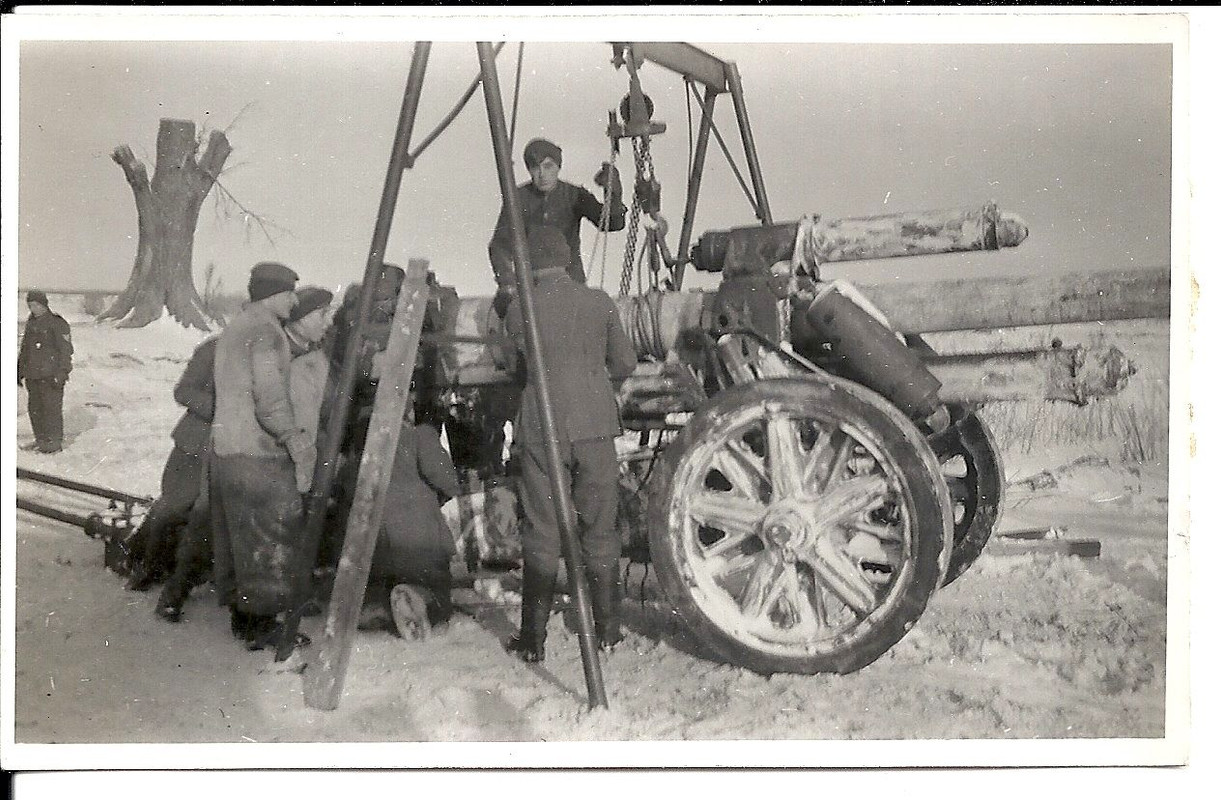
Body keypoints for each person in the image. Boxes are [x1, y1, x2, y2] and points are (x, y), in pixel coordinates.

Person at [502, 227, 637, 662]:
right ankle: (609, 632)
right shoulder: (599, 302)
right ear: (568, 261)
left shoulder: (520, 308)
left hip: (542, 430)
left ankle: (532, 641)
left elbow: (510, 366)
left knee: (542, 531)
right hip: (595, 427)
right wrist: (593, 387)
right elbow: (625, 363)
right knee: (600, 526)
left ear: (529, 266)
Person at [209, 262, 316, 652]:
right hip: (257, 452)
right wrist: (294, 438)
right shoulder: (266, 333)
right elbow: (270, 400)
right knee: (270, 536)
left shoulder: (236, 326)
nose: (294, 300)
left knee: (240, 537)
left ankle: (244, 618)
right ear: (272, 294)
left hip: (226, 449)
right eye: (289, 293)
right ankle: (262, 624)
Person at [487, 137, 625, 316]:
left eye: (548, 166)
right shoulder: (518, 199)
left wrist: (613, 194)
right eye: (535, 168)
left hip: (570, 282)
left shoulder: (574, 195)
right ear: (529, 170)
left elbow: (611, 223)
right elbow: (499, 246)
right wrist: (507, 282)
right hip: (532, 286)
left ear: (558, 167)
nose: (542, 174)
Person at [126, 334, 219, 595]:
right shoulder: (213, 349)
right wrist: (223, 408)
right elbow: (184, 390)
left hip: (231, 449)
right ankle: (144, 564)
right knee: (173, 506)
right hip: (196, 443)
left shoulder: (269, 349)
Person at [366, 391, 461, 640]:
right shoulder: (420, 436)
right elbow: (447, 480)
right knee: (441, 594)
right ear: (409, 411)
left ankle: (395, 605)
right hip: (423, 534)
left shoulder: (371, 442)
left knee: (394, 577)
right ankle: (422, 600)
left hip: (385, 537)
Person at [17, 290, 73, 454]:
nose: (33, 309)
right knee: (35, 409)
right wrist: (18, 370)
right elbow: (25, 348)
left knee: (51, 410)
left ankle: (54, 443)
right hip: (33, 375)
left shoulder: (57, 323)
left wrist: (62, 373)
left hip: (51, 376)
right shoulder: (32, 322)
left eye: (36, 305)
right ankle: (41, 440)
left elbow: (66, 350)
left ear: (44, 304)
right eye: (30, 305)